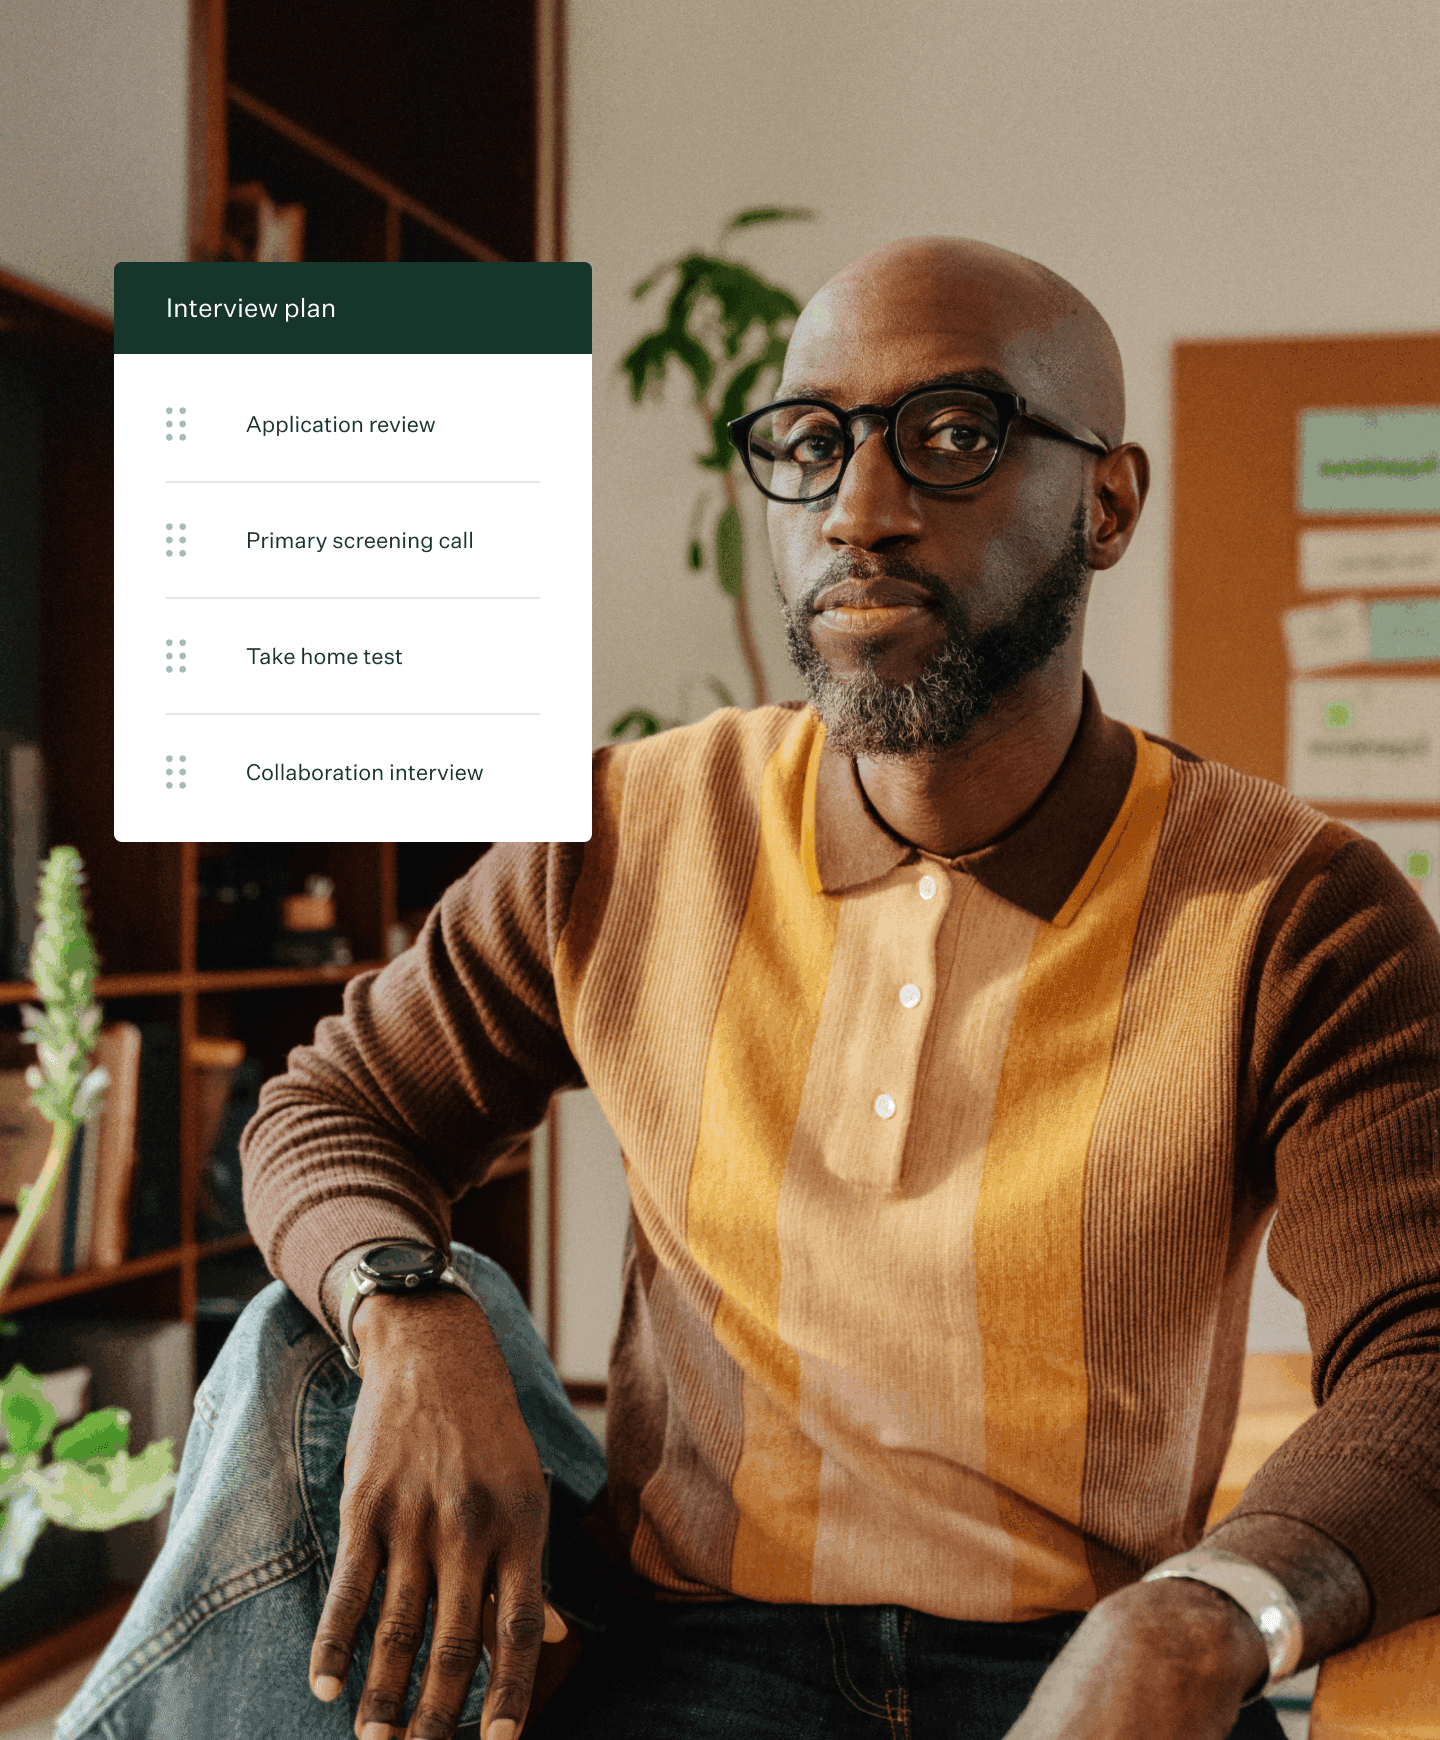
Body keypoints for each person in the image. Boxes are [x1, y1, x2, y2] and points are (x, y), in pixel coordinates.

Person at [60, 238, 1440, 1740]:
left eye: (956, 436)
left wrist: (1212, 1611)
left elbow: (1424, 1355)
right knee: (294, 1340)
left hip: (1088, 1662)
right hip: (699, 1663)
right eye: (808, 443)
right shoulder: (629, 832)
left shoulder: (1295, 909)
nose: (859, 507)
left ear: (1105, 504)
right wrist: (410, 1306)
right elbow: (336, 1109)